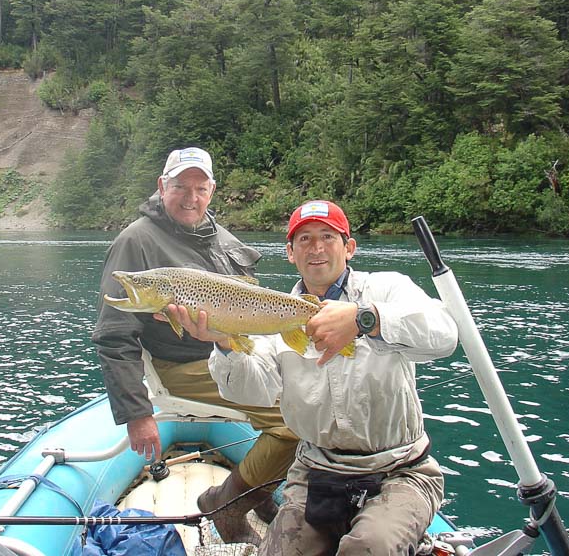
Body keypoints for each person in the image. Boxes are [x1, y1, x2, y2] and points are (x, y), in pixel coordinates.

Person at [166, 200, 459, 555]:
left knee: (368, 547)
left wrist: (365, 319)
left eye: (327, 237)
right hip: (316, 471)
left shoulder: (387, 289)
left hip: (400, 470)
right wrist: (225, 343)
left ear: (349, 247)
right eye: (304, 239)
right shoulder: (269, 313)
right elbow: (253, 390)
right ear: (290, 252)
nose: (316, 248)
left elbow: (445, 335)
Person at [92, 147, 298, 544]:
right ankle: (227, 504)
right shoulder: (135, 241)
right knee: (297, 419)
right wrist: (138, 412)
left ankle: (259, 496)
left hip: (239, 355)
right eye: (180, 186)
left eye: (200, 188)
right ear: (161, 186)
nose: (191, 198)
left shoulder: (223, 239)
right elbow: (114, 336)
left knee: (319, 398)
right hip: (184, 369)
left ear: (212, 190)